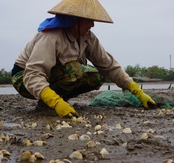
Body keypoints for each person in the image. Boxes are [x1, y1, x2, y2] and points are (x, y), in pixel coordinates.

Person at [11, 0, 156, 118]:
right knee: (76, 71)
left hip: (52, 75)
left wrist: (136, 90)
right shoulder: (51, 36)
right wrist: (55, 102)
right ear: (75, 20)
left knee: (95, 76)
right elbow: (32, 75)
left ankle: (59, 99)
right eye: (89, 20)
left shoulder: (88, 38)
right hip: (23, 78)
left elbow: (108, 65)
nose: (92, 25)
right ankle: (48, 102)